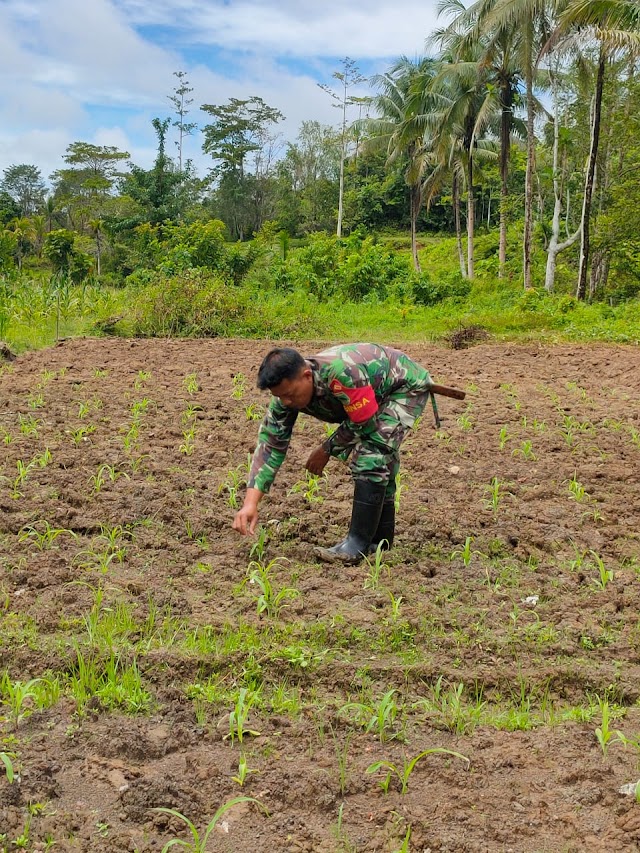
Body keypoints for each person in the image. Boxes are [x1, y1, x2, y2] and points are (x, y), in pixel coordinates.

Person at [232, 343, 439, 564]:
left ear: (306, 375)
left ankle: (357, 544)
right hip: (371, 392)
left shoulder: (342, 373)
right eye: (280, 396)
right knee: (379, 455)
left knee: (372, 453)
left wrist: (326, 449)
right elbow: (271, 444)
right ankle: (380, 541)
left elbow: (365, 421)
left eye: (290, 394)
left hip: (403, 385)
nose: (286, 402)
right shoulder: (285, 395)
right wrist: (250, 503)